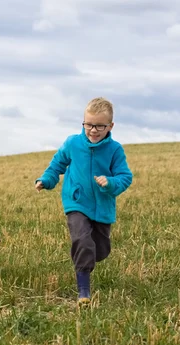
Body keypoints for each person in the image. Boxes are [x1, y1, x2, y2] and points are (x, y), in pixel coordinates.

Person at [35, 97, 133, 306]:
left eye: (99, 126)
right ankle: (83, 291)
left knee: (100, 249)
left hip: (102, 207)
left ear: (110, 126)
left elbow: (125, 177)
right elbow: (56, 165)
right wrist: (46, 180)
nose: (93, 130)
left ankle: (87, 259)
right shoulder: (73, 143)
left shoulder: (115, 150)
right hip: (76, 202)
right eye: (88, 124)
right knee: (83, 240)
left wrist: (110, 182)